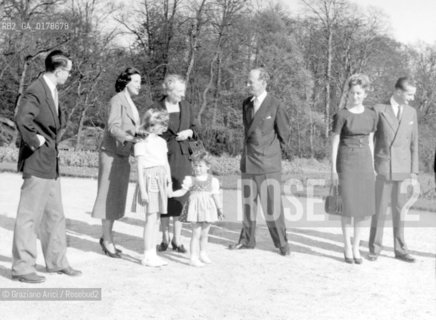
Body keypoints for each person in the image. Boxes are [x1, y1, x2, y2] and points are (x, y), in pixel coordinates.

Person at [12, 50, 81, 283]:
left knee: (55, 215)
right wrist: (35, 140)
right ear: (59, 70)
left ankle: (57, 262)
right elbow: (22, 119)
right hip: (38, 160)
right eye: (69, 71)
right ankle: (22, 267)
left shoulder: (51, 90)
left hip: (51, 163)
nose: (70, 76)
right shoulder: (36, 89)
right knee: (29, 216)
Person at [228, 68, 291, 256]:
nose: (247, 85)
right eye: (247, 81)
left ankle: (282, 243)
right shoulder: (246, 104)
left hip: (268, 163)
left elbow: (285, 135)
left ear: (263, 82)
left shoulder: (276, 105)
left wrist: (269, 152)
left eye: (250, 82)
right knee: (248, 205)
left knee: (272, 206)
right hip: (248, 161)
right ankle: (246, 240)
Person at [91, 67, 141, 258]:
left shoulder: (129, 102)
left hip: (122, 155)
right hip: (111, 154)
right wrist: (131, 138)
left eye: (140, 81)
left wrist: (138, 136)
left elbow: (129, 128)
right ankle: (107, 239)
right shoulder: (117, 100)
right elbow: (113, 127)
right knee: (108, 197)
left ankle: (107, 238)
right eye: (136, 81)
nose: (139, 85)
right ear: (126, 82)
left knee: (116, 198)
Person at [368, 77, 419, 263]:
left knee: (400, 210)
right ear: (398, 91)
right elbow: (370, 141)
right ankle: (374, 248)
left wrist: (414, 172)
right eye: (409, 94)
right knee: (379, 209)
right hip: (383, 166)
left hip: (404, 168)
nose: (412, 98)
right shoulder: (378, 110)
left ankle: (401, 249)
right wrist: (370, 165)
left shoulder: (412, 112)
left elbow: (414, 144)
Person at [331, 74, 377, 264]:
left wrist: (373, 167)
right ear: (348, 93)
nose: (355, 97)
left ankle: (357, 246)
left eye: (359, 93)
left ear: (365, 93)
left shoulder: (371, 115)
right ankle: (347, 246)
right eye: (352, 93)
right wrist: (333, 169)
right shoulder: (342, 114)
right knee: (348, 207)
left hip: (364, 163)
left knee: (362, 209)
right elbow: (334, 143)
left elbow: (371, 142)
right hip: (346, 163)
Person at [153, 74, 197, 253]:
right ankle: (164, 237)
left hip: (183, 156)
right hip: (163, 156)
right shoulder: (156, 107)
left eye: (183, 90)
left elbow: (196, 128)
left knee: (181, 198)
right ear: (168, 90)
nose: (182, 94)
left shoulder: (186, 106)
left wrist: (190, 132)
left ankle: (177, 239)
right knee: (164, 197)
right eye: (179, 91)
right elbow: (149, 130)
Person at [131, 108, 172, 267]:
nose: (165, 127)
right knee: (150, 218)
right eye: (162, 124)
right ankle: (147, 255)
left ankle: (152, 253)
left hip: (161, 179)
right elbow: (140, 168)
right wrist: (142, 190)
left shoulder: (162, 142)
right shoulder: (141, 142)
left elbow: (165, 163)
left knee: (155, 219)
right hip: (150, 181)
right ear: (152, 124)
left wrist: (169, 183)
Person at [172, 152, 224, 267]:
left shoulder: (213, 180)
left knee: (205, 233)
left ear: (208, 167)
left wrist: (219, 208)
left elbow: (215, 195)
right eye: (195, 165)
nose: (197, 168)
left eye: (200, 166)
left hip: (208, 209)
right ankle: (193, 257)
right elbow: (182, 191)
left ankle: (203, 253)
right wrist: (170, 193)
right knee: (195, 233)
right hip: (195, 209)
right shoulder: (190, 179)